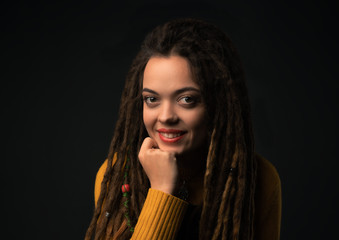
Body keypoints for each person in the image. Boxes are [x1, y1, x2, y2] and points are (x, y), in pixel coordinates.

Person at [85, 18, 281, 240]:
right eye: (152, 99)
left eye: (186, 99)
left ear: (219, 104)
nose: (166, 116)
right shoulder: (118, 175)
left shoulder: (258, 179)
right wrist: (162, 190)